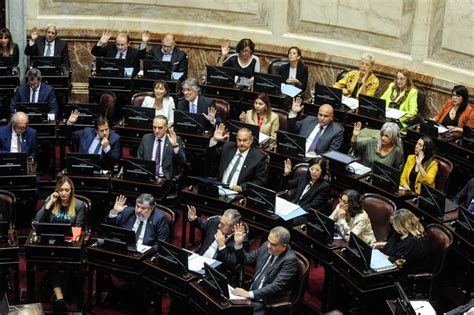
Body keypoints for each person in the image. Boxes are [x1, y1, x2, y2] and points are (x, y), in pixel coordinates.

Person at [35, 176, 85, 311]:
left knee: (66, 262)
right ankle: (60, 297)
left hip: (68, 244)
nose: (64, 193)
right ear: (57, 190)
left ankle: (58, 297)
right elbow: (37, 222)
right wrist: (50, 202)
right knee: (54, 261)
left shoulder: (79, 205)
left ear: (71, 191)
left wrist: (74, 240)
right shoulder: (51, 201)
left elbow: (78, 228)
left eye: (67, 190)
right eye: (61, 190)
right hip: (51, 242)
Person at [231, 226, 298, 315]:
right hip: (252, 292)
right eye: (268, 241)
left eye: (273, 244)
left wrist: (249, 294)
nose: (268, 246)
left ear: (284, 246)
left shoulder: (290, 260)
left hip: (267, 302)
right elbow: (246, 259)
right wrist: (238, 244)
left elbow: (276, 286)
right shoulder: (265, 246)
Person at [209, 124, 269, 192]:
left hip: (239, 195)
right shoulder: (228, 147)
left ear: (251, 140)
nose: (241, 143)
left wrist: (241, 188)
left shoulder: (259, 157)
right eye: (239, 140)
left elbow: (260, 182)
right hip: (219, 188)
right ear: (236, 138)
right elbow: (210, 157)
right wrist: (214, 140)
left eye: (245, 140)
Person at [187, 205, 243, 269]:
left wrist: (222, 246)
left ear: (233, 228)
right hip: (199, 260)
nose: (219, 226)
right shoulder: (215, 222)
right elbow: (202, 224)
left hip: (215, 271)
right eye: (220, 221)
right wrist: (193, 218)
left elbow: (232, 264)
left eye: (223, 225)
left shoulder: (239, 240)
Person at [373, 209, 428, 273]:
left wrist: (380, 256)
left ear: (403, 225)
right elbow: (397, 245)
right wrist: (380, 244)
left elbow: (398, 262)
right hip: (389, 262)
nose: (394, 227)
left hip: (402, 273)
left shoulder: (412, 242)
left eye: (395, 225)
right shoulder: (401, 233)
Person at [105, 194, 170, 246]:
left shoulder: (159, 219)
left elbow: (161, 243)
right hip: (126, 249)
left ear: (151, 209)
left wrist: (148, 252)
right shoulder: (128, 212)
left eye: (143, 208)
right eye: (138, 206)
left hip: (145, 254)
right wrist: (114, 211)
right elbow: (110, 228)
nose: (138, 210)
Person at [137, 115, 186, 179]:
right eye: (154, 127)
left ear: (166, 127)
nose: (156, 131)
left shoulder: (175, 139)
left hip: (166, 179)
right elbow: (139, 159)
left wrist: (175, 146)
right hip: (148, 177)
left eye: (160, 128)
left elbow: (182, 162)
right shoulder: (146, 138)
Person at [380, 69, 418, 134]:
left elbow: (413, 112)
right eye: (397, 78)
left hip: (398, 122)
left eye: (401, 79)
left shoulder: (412, 92)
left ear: (407, 80)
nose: (398, 81)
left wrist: (399, 117)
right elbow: (381, 100)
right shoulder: (392, 86)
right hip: (385, 117)